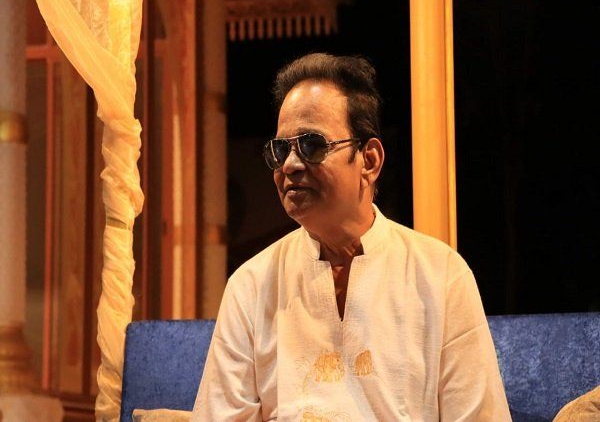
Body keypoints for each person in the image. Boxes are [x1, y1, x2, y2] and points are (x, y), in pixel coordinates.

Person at [191, 53, 510, 421]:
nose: (290, 165)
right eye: (280, 150)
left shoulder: (441, 275)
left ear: (369, 161)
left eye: (311, 145)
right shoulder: (250, 286)